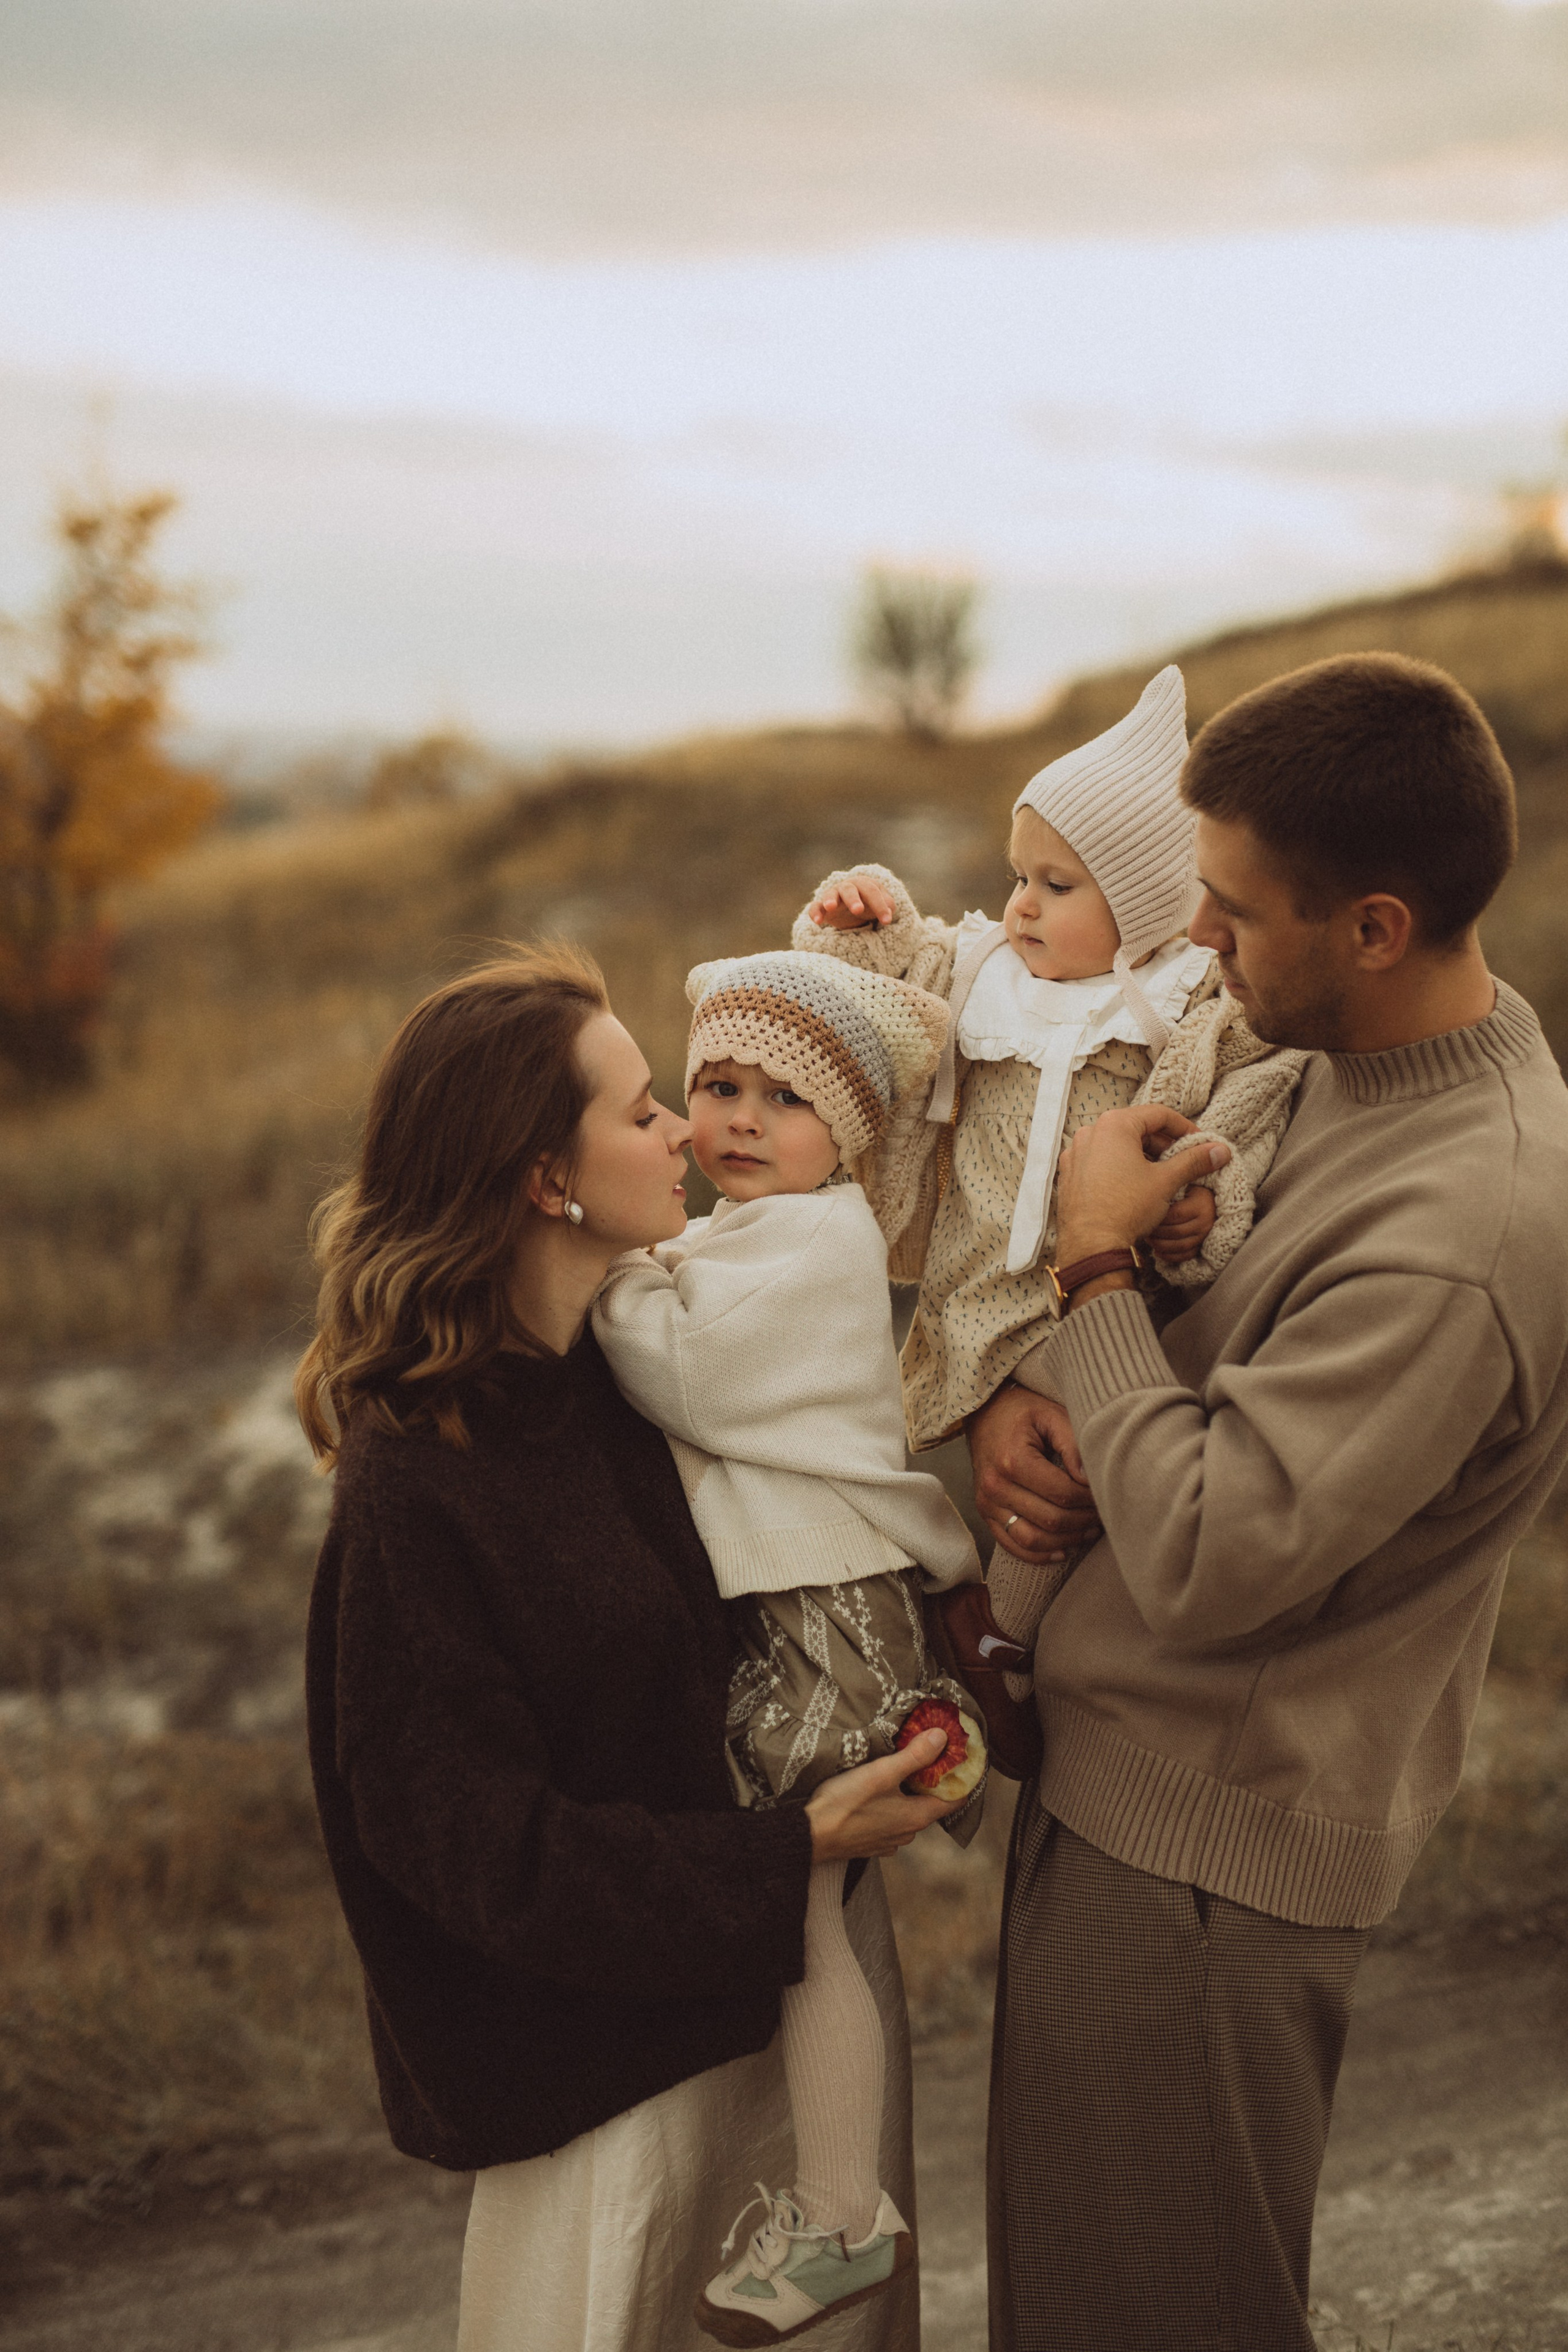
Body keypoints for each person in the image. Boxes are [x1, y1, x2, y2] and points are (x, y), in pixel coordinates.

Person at [968, 652, 1568, 2351]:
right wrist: (1042, 1383)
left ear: (1374, 926)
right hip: (1132, 1812)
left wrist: (1090, 1277)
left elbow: (1215, 1551)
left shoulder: (1472, 1224)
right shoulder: (1319, 1060)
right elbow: (1191, 1346)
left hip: (1202, 1877)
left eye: (1230, 913)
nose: (1197, 947)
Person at [295, 944, 957, 2352]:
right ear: (547, 1177)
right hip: (610, 2098)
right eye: (649, 1106)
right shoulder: (420, 1480)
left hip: (780, 2031)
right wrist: (788, 1855)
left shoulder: (636, 1373)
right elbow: (467, 1847)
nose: (688, 1132)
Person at [796, 667, 1303, 1763]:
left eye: (1059, 886)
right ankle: (924, 1607)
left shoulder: (1186, 1006)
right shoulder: (988, 969)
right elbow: (897, 974)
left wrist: (1197, 1204)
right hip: (987, 1290)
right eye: (1021, 876)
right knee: (923, 1461)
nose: (1022, 904)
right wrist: (860, 923)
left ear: (1151, 903)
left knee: (1074, 1450)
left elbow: (1235, 1117)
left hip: (1100, 1301)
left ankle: (1002, 1646)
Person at [594, 950, 986, 2342]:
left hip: (817, 1610)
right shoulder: (745, 1235)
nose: (740, 1120)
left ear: (848, 1142)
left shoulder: (811, 1243)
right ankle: (832, 2208)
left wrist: (602, 1270)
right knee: (798, 1920)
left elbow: (681, 1369)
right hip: (795, 1599)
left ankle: (840, 2216)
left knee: (802, 1913)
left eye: (783, 1098)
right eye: (714, 1087)